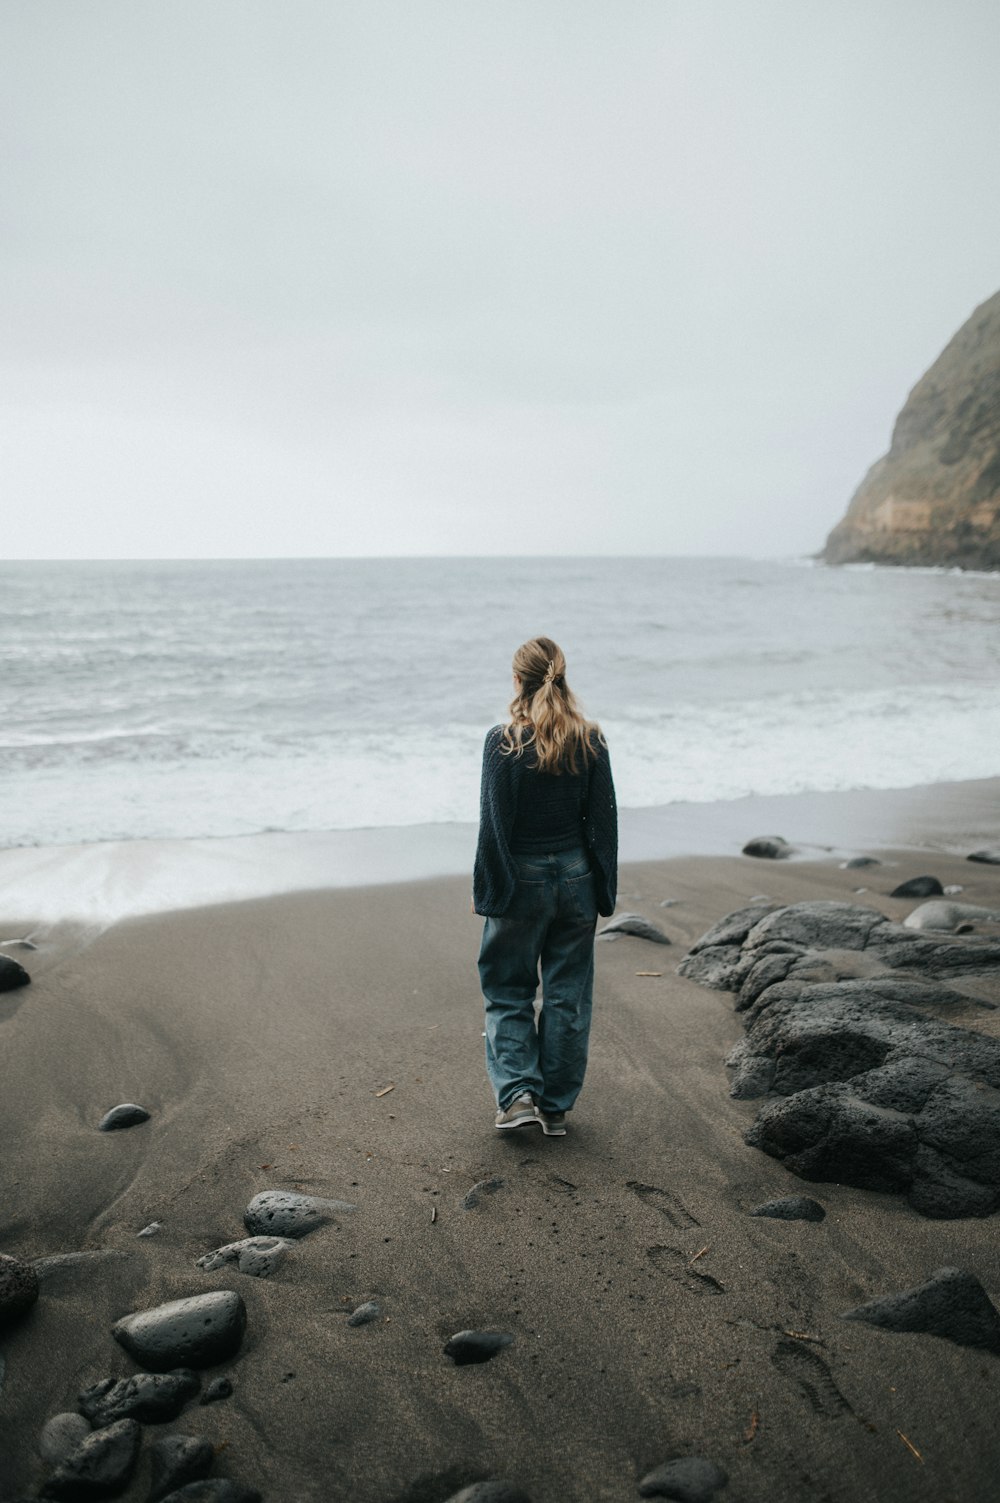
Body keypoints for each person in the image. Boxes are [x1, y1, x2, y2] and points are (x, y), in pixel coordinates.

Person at [472, 636, 617, 1134]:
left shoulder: (504, 742)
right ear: (562, 675)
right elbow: (602, 823)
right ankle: (554, 1107)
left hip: (523, 879)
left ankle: (517, 1099)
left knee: (509, 990)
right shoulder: (590, 739)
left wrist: (491, 894)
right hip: (576, 877)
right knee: (567, 995)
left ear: (517, 681)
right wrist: (603, 891)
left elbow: (495, 827)